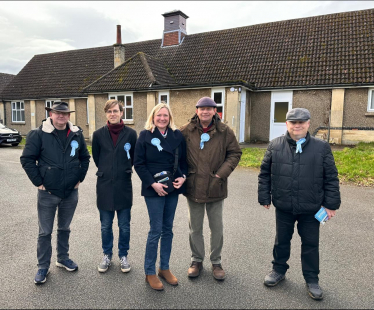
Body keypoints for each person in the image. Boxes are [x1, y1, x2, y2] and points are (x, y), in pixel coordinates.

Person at [258, 108, 341, 300]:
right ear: (286, 124)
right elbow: (264, 173)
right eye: (293, 122)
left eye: (301, 122)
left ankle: (312, 279)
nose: (297, 125)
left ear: (308, 124)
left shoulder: (321, 147)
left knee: (311, 244)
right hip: (284, 205)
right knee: (281, 241)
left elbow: (331, 178)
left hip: (311, 208)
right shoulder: (275, 145)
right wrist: (265, 196)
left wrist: (331, 205)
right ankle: (278, 270)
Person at [20, 102, 90, 284]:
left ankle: (62, 257)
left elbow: (85, 157)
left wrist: (79, 178)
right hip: (48, 192)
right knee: (45, 232)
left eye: (64, 114)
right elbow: (27, 159)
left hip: (70, 192)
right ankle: (43, 266)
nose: (61, 116)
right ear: (50, 114)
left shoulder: (76, 133)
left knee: (64, 228)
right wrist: (39, 182)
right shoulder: (38, 134)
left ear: (69, 116)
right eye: (57, 113)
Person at [180, 97, 242, 281]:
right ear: (196, 110)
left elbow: (235, 153)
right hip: (193, 187)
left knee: (217, 228)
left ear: (215, 111)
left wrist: (220, 174)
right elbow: (174, 152)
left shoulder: (225, 131)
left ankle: (216, 262)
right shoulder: (185, 131)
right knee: (195, 228)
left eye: (209, 108)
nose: (205, 112)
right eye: (202, 108)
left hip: (216, 186)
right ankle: (196, 260)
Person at [134, 103, 187, 291]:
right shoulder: (144, 135)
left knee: (168, 229)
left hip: (172, 187)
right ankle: (150, 271)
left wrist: (183, 177)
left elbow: (183, 162)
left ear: (170, 117)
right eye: (159, 115)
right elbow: (138, 164)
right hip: (153, 188)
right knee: (155, 229)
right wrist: (152, 184)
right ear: (153, 117)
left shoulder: (177, 135)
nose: (162, 118)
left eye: (165, 115)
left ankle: (164, 268)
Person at [92, 99, 137, 274]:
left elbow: (133, 157)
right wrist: (108, 170)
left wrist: (121, 170)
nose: (113, 114)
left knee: (124, 225)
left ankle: (123, 255)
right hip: (104, 186)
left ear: (121, 113)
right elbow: (97, 158)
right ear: (106, 114)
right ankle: (107, 255)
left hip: (123, 185)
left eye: (116, 111)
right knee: (105, 225)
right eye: (109, 111)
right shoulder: (97, 135)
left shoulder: (131, 134)